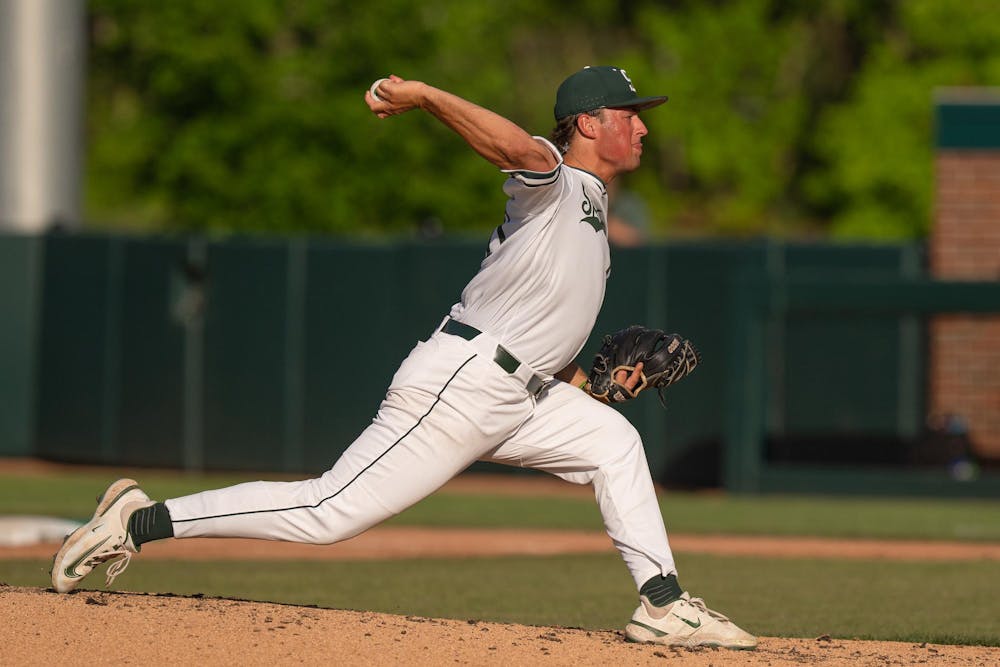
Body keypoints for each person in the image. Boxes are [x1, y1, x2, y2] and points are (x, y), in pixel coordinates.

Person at [51, 66, 756, 650]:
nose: (642, 125)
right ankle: (137, 520)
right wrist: (426, 98)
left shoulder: (594, 214)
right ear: (590, 122)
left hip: (518, 390)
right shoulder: (555, 179)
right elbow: (514, 145)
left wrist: (593, 386)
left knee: (613, 441)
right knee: (329, 509)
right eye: (629, 112)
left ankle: (663, 604)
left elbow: (539, 342)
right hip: (465, 381)